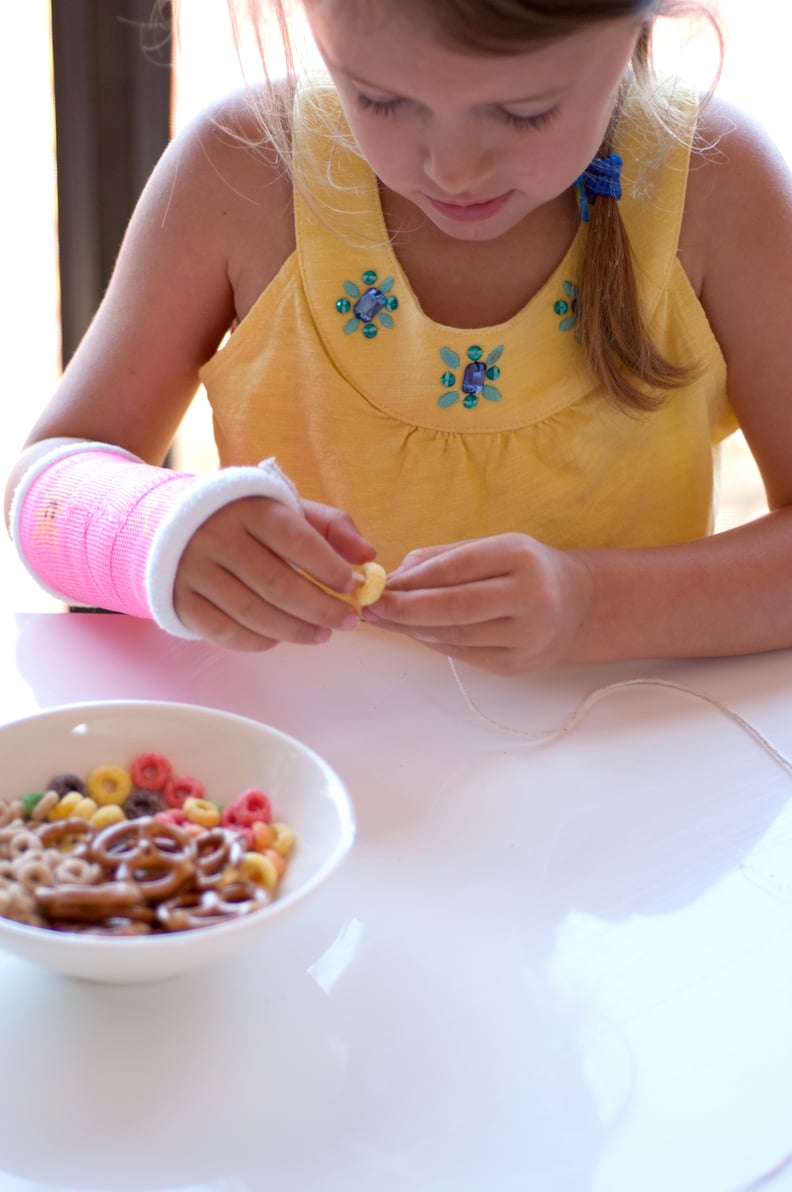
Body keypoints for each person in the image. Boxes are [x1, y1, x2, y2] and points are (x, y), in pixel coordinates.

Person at [5, 0, 792, 676]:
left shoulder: (716, 190)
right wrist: (159, 530)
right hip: (304, 788)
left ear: (636, 27)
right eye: (380, 99)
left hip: (632, 782)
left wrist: (590, 607)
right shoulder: (240, 175)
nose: (453, 171)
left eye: (523, 112)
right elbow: (43, 489)